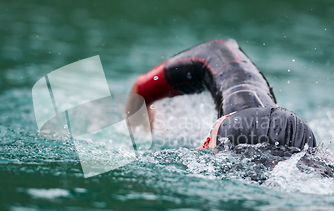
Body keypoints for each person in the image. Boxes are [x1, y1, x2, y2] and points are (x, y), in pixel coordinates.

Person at [127, 39, 316, 152]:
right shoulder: (236, 77)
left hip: (239, 124)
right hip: (293, 126)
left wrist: (141, 140)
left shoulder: (198, 60)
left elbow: (139, 93)